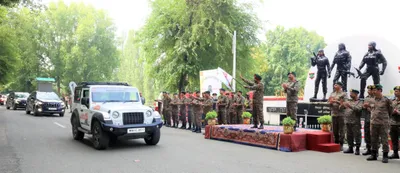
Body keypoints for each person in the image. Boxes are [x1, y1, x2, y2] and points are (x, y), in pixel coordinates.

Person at [364, 84, 392, 163]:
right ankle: (374, 154)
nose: (373, 91)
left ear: (380, 90)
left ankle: (385, 155)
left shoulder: (386, 100)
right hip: (374, 122)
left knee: (384, 140)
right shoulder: (372, 100)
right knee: (374, 139)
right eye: (373, 90)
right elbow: (372, 110)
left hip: (383, 123)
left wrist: (385, 118)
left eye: (375, 90)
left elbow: (391, 110)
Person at [328, 82, 348, 150]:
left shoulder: (344, 94)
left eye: (336, 85)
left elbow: (345, 103)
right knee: (335, 130)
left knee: (341, 130)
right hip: (334, 113)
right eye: (334, 85)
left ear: (340, 86)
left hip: (341, 114)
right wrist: (330, 103)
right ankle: (336, 142)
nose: (334, 86)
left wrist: (336, 101)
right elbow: (329, 102)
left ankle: (341, 143)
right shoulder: (332, 93)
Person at [342, 89, 363, 155]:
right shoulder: (349, 101)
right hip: (347, 121)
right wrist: (342, 105)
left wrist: (350, 106)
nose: (350, 94)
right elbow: (344, 108)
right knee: (349, 135)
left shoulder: (360, 101)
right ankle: (350, 147)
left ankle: (357, 149)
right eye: (350, 93)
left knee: (357, 135)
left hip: (355, 122)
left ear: (356, 94)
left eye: (352, 93)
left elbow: (358, 109)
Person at [362, 85, 375, 155]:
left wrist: (369, 106)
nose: (368, 91)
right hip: (367, 118)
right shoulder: (366, 98)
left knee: (373, 134)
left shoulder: (376, 98)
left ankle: (374, 150)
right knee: (367, 133)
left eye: (370, 90)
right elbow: (363, 108)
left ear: (373, 90)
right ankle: (368, 148)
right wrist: (364, 107)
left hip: (374, 118)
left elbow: (377, 108)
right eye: (368, 90)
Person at [389, 86, 400, 159]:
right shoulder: (393, 101)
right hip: (393, 123)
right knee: (394, 139)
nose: (395, 93)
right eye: (395, 91)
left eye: (397, 91)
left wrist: (398, 112)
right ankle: (395, 153)